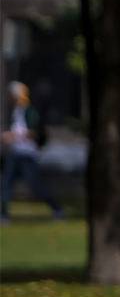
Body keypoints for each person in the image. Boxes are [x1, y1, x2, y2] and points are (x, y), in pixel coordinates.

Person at [1, 82, 64, 223]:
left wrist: (12, 136)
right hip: (15, 154)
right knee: (5, 184)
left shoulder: (29, 111)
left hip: (27, 155)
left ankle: (57, 209)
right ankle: (3, 215)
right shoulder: (16, 111)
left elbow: (34, 132)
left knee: (36, 186)